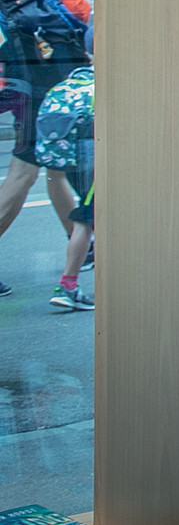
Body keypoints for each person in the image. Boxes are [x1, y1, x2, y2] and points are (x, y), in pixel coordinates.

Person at [0, 0, 87, 299]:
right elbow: (79, 13)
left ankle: (80, 243)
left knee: (54, 166)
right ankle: (81, 246)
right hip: (56, 82)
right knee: (24, 172)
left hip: (22, 83)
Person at [34, 25, 92, 312]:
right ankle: (67, 285)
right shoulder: (104, 87)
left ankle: (70, 284)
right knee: (88, 218)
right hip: (93, 159)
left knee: (89, 215)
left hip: (69, 161)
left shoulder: (69, 85)